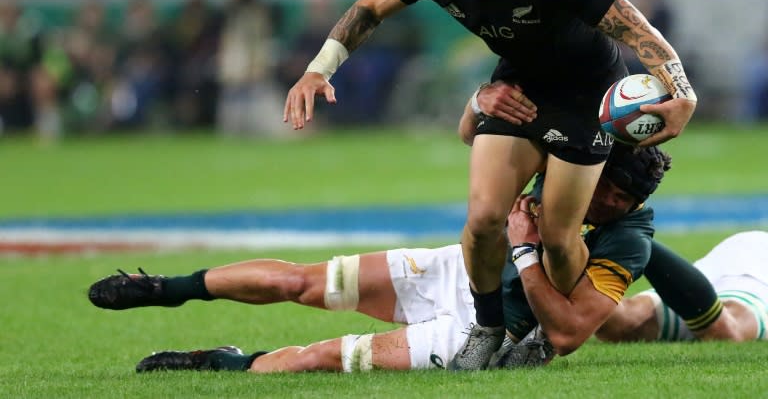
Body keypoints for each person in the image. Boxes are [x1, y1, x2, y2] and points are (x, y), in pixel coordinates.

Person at [282, 0, 697, 369]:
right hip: (516, 87)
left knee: (562, 241)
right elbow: (370, 7)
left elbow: (634, 28)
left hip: (585, 97)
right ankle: (487, 326)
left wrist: (683, 93)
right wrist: (316, 71)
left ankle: (547, 333)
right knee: (481, 222)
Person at [87, 99, 671, 374]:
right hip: (458, 270)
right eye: (609, 191)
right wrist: (476, 101)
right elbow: (473, 134)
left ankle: (217, 364)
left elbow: (567, 334)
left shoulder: (630, 239)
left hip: (488, 335)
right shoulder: (569, 156)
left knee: (321, 359)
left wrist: (523, 248)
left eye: (624, 203)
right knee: (302, 281)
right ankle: (165, 287)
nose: (609, 206)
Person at [597, 231, 768, 344]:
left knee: (617, 324)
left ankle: (626, 232)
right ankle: (625, 233)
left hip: (747, 254)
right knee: (727, 332)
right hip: (755, 261)